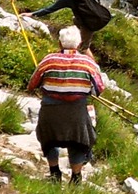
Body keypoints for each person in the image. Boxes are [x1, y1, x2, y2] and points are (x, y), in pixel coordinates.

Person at [28, 25, 106, 184]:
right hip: (76, 111)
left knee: (49, 138)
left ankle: (54, 172)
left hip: (50, 110)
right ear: (78, 44)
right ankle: (76, 177)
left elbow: (32, 84)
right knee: (77, 141)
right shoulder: (87, 63)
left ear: (60, 43)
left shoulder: (48, 60)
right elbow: (99, 88)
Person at [31, 0, 105, 45]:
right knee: (75, 19)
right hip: (94, 17)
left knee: (83, 48)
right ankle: (78, 35)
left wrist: (32, 14)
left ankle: (90, 59)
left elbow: (49, 9)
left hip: (89, 24)